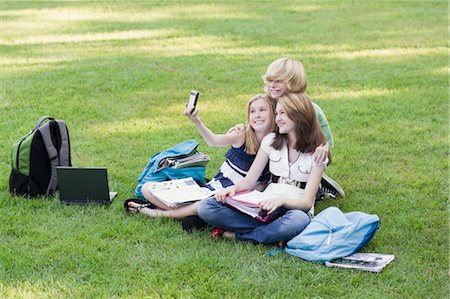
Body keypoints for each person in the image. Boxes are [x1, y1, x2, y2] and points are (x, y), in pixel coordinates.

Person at [197, 93, 329, 244]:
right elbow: (248, 181)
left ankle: (241, 235)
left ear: (299, 114)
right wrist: (231, 189)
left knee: (298, 221)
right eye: (277, 113)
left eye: (282, 113)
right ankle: (273, 233)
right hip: (263, 207)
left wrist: (281, 201)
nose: (277, 118)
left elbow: (306, 203)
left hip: (294, 209)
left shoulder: (318, 152)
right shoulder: (270, 141)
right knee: (206, 207)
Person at [125, 94, 276, 222]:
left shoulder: (276, 144)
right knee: (147, 188)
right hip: (212, 188)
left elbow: (260, 183)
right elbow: (213, 141)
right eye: (252, 111)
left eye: (262, 110)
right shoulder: (242, 136)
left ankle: (162, 214)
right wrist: (196, 120)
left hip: (234, 197)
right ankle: (186, 213)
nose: (257, 115)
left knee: (204, 206)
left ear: (273, 113)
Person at [231, 57, 344, 198]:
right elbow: (257, 122)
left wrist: (324, 146)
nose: (272, 85)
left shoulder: (309, 109)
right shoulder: (270, 103)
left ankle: (315, 185)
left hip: (303, 156)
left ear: (293, 82)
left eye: (278, 81)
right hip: (276, 153)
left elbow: (324, 142)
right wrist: (243, 127)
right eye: (269, 80)